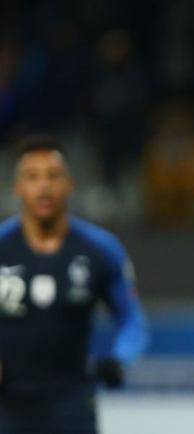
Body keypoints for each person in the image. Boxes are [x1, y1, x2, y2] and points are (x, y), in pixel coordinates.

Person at [0, 135, 149, 434]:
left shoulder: (100, 249)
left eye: (53, 176)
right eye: (32, 176)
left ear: (70, 184)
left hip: (72, 403)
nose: (44, 186)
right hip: (7, 405)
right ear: (17, 187)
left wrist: (119, 359)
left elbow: (132, 319)